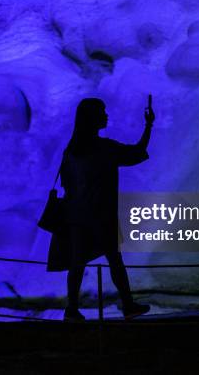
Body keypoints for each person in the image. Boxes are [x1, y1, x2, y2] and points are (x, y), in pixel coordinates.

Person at [47, 97, 155, 321]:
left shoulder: (71, 150)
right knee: (115, 260)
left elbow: (66, 183)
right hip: (101, 214)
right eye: (102, 112)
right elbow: (136, 152)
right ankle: (127, 304)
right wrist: (148, 125)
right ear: (93, 118)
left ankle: (72, 308)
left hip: (75, 214)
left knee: (76, 264)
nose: (106, 115)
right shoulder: (105, 149)